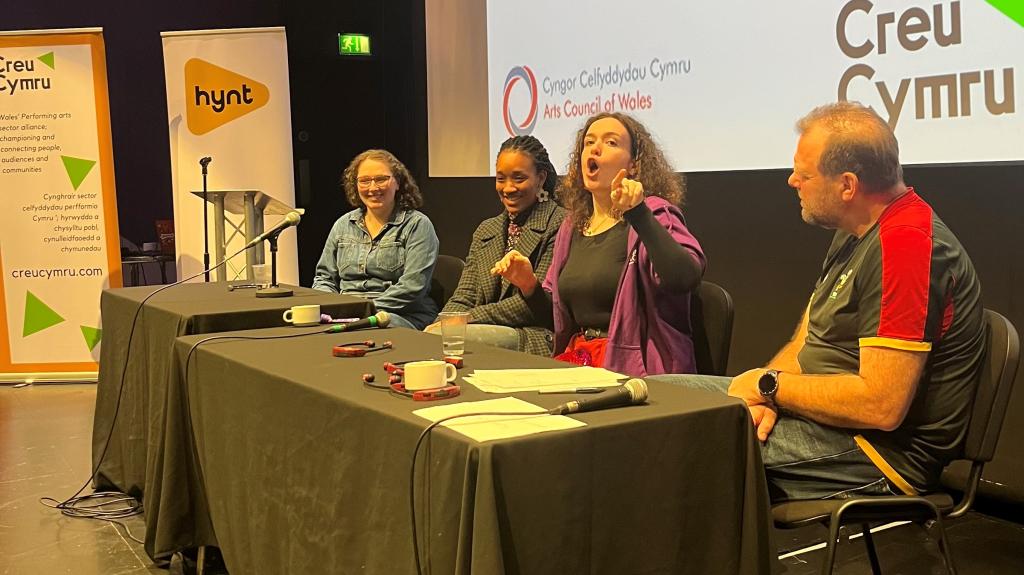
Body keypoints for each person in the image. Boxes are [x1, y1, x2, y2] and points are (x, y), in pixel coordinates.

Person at [653, 102, 985, 502]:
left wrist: (769, 386)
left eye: (804, 174)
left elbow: (882, 405)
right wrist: (768, 400)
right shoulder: (853, 230)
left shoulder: (905, 246)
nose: (792, 180)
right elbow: (806, 340)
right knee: (654, 400)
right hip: (821, 421)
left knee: (665, 439)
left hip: (878, 455)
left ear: (847, 185)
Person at [493, 112, 705, 377]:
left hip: (638, 370)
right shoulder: (572, 227)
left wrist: (638, 214)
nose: (594, 148)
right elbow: (557, 320)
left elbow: (685, 278)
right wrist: (529, 286)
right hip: (580, 361)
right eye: (588, 142)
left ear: (634, 165)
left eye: (611, 142)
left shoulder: (654, 213)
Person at [426, 136, 567, 354]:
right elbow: (465, 295)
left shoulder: (560, 224)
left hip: (534, 334)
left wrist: (469, 319)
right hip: (484, 328)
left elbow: (535, 306)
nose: (508, 188)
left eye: (519, 179)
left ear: (540, 178)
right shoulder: (487, 229)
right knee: (434, 338)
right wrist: (442, 323)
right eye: (501, 179)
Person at [312, 149, 439, 330]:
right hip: (347, 315)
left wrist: (360, 311)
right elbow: (324, 278)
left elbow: (412, 287)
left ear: (397, 182)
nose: (373, 188)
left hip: (399, 315)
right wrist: (331, 308)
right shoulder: (343, 224)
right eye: (364, 181)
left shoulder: (417, 225)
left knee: (366, 329)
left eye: (381, 179)